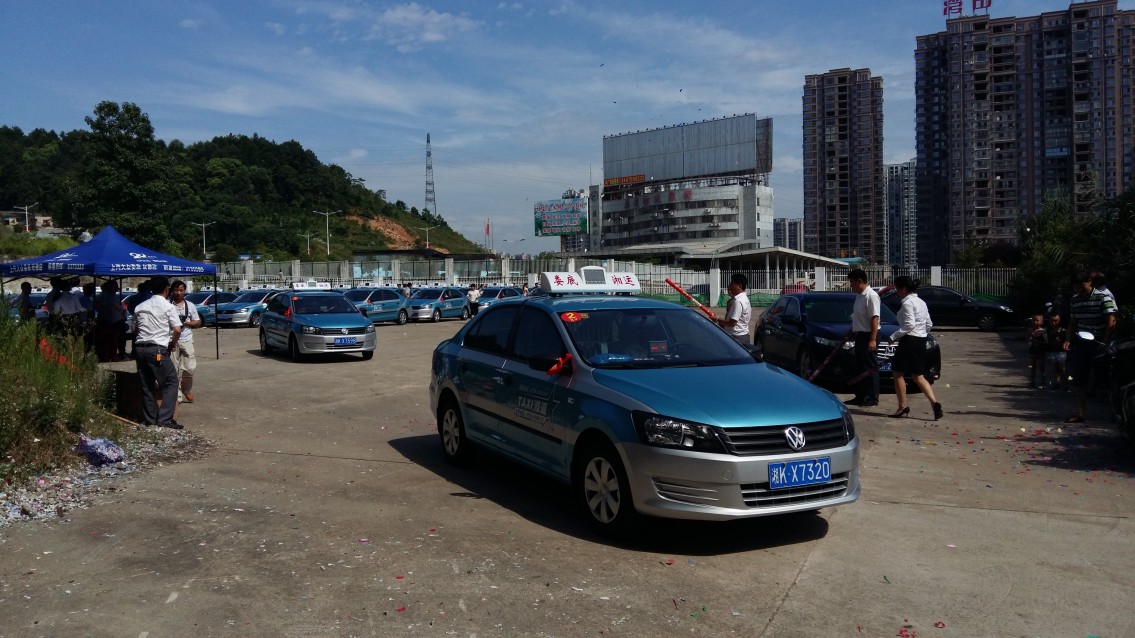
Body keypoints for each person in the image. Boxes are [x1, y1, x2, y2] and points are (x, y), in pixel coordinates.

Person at [1062, 272, 1118, 423]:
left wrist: (1105, 342)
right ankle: (1080, 413)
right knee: (1080, 378)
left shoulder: (1103, 297)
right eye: (1076, 286)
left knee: (1105, 378)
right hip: (1082, 342)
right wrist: (1068, 339)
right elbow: (1073, 321)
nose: (1079, 289)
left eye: (1082, 285)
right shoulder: (1075, 299)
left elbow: (1111, 320)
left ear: (1089, 282)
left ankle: (1116, 413)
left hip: (1099, 341)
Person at [887, 276, 943, 420]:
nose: (897, 292)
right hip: (921, 340)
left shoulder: (907, 303)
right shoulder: (921, 302)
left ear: (904, 289)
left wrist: (894, 336)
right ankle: (934, 403)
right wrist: (922, 333)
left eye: (897, 289)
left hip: (909, 340)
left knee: (897, 373)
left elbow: (909, 325)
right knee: (918, 375)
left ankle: (902, 406)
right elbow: (929, 323)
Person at [132, 276, 184, 429]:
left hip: (140, 348)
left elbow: (134, 329)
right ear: (167, 289)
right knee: (171, 382)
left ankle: (150, 419)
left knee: (146, 385)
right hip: (158, 349)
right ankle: (165, 418)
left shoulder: (140, 306)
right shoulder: (168, 307)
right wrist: (172, 344)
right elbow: (177, 329)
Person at [844, 269, 880, 407]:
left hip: (868, 335)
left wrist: (872, 339)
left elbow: (874, 318)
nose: (851, 286)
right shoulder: (859, 296)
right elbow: (859, 317)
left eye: (852, 283)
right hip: (859, 334)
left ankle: (872, 396)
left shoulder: (871, 296)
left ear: (859, 281)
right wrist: (852, 331)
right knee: (859, 367)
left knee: (870, 367)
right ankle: (860, 395)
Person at [169, 280, 202, 404]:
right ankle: (177, 395)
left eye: (181, 290)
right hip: (171, 339)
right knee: (173, 368)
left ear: (184, 291)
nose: (178, 293)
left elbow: (197, 322)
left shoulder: (190, 305)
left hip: (186, 339)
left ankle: (186, 389)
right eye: (176, 290)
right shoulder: (167, 305)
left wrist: (186, 323)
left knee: (190, 367)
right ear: (172, 291)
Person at [94, 280, 127, 362]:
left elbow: (96, 308)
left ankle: (105, 356)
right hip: (115, 321)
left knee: (105, 341)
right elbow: (119, 308)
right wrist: (123, 312)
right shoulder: (113, 297)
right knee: (118, 340)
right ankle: (119, 355)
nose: (117, 288)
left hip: (102, 320)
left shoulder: (98, 297)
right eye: (115, 286)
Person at [716, 273, 752, 345]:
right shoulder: (744, 299)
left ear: (739, 286)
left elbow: (732, 323)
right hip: (741, 336)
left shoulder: (738, 301)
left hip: (737, 338)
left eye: (732, 284)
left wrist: (717, 319)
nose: (729, 287)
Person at [1045, 312, 1068, 391]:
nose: (1053, 323)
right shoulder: (1048, 331)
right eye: (1051, 321)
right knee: (1056, 368)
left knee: (1062, 368)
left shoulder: (1063, 331)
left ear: (1060, 321)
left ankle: (1065, 384)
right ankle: (1057, 383)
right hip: (1053, 352)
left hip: (1062, 352)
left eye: (1055, 321)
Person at [1027, 313, 1048, 389]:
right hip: (1032, 351)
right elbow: (1027, 339)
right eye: (1033, 320)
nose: (1035, 322)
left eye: (1037, 320)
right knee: (1033, 367)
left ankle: (1043, 383)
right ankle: (1032, 382)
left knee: (1041, 368)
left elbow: (1046, 342)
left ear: (1041, 322)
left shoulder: (1043, 331)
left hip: (1041, 352)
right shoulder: (1030, 330)